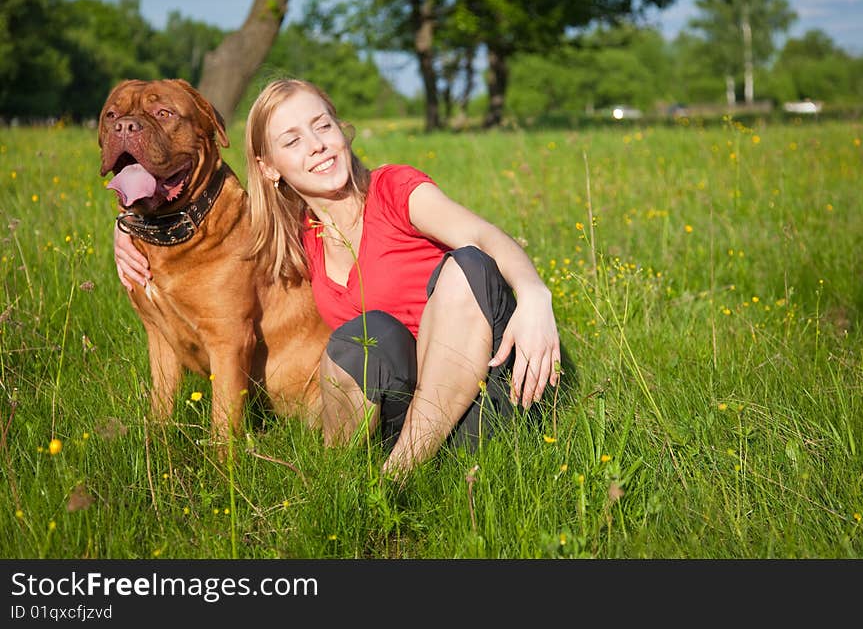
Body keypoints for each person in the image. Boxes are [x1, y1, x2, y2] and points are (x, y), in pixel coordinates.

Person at [113, 78, 561, 478]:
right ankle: (341, 478)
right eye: (292, 140)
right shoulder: (294, 235)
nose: (317, 145)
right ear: (269, 168)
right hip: (407, 414)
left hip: (490, 400)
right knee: (367, 337)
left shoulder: (394, 190)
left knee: (468, 266)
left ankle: (395, 477)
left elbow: (483, 236)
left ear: (341, 131)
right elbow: (216, 230)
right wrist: (130, 228)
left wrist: (535, 295)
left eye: (322, 126)